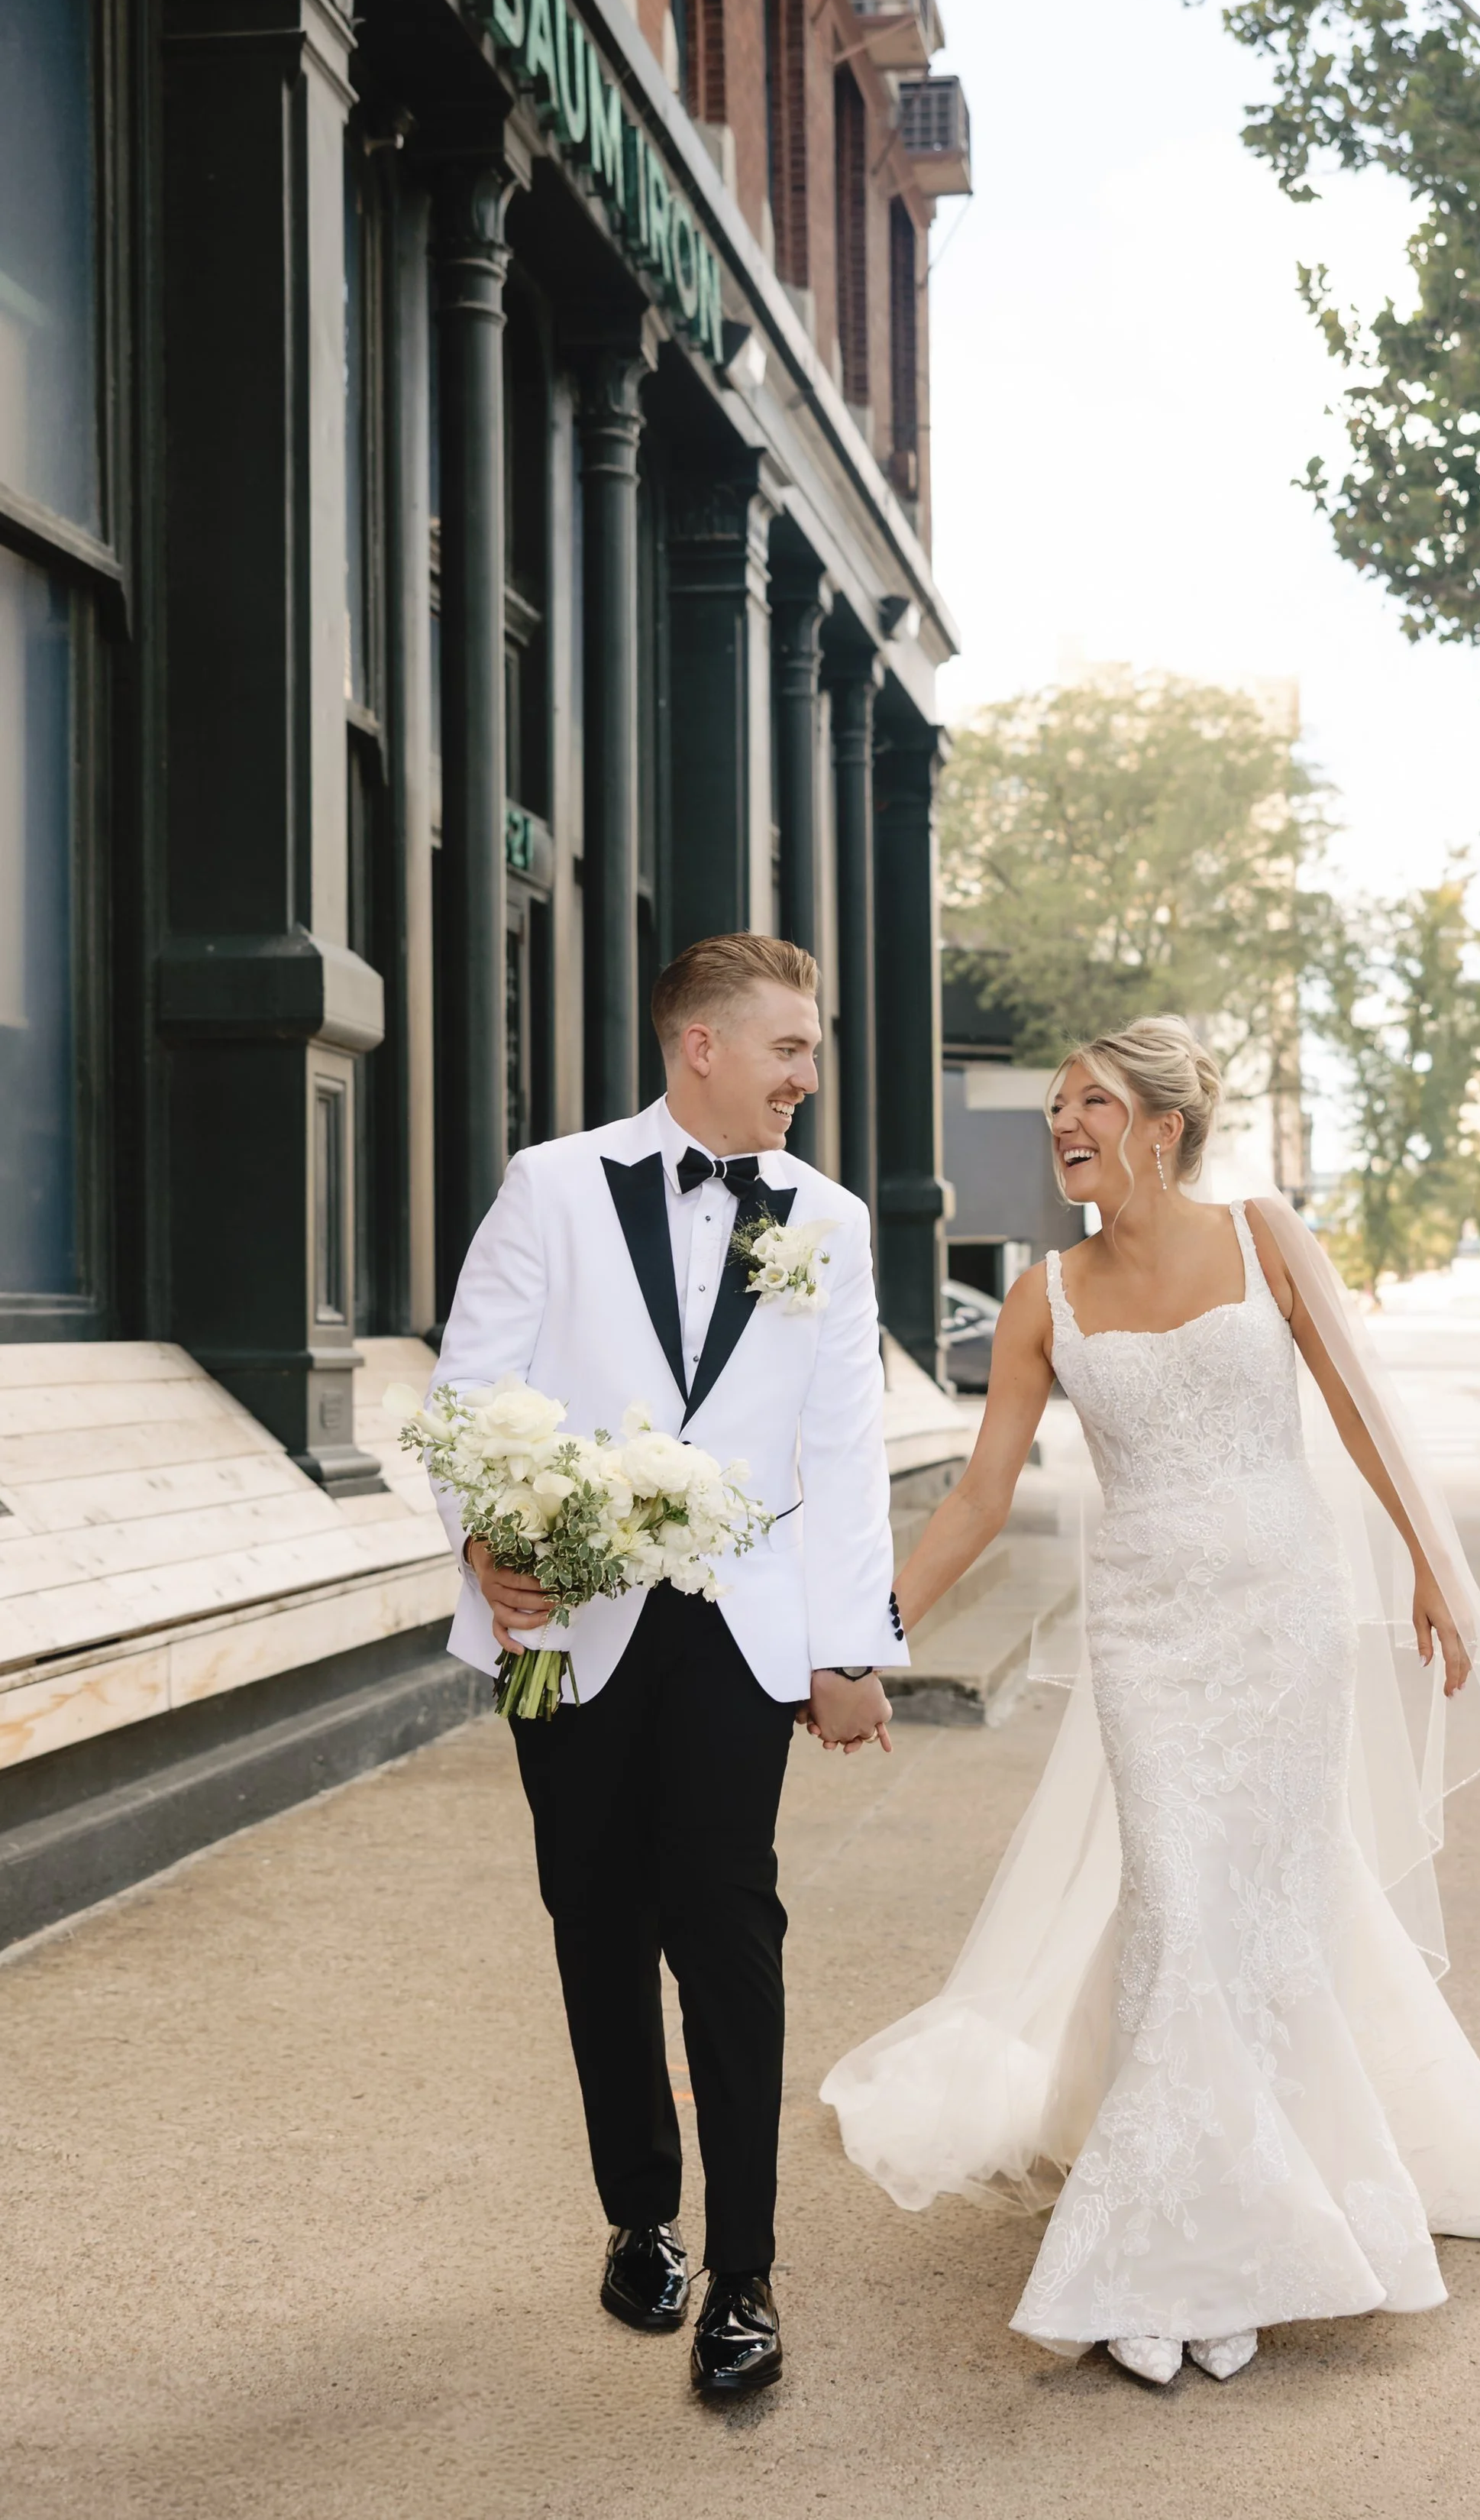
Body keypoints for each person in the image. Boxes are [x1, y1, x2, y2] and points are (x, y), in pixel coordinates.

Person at [822, 1017, 1480, 2387]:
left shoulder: (1263, 1234)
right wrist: (862, 1638)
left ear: (1164, 1126)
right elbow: (983, 1495)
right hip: (1151, 1638)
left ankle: (1227, 2226)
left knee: (1264, 1905)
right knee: (1180, 1901)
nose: (1064, 1126)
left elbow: (1359, 1411)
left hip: (1283, 1620)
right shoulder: (1041, 1297)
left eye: (1092, 1105)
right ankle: (1187, 2234)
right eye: (1056, 1108)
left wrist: (1431, 1564)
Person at [435, 934, 903, 2401]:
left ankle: (748, 2268)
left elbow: (844, 1447)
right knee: (595, 1915)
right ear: (700, 1044)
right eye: (789, 1049)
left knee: (728, 1924)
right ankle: (642, 2215)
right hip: (568, 1615)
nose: (807, 1078)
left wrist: (851, 1648)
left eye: (810, 1051)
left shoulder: (827, 1218)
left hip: (740, 1624)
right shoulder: (551, 1187)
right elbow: (467, 1390)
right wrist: (480, 1549)